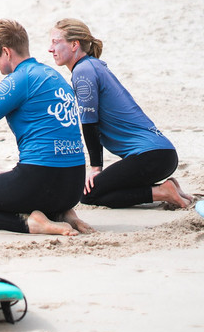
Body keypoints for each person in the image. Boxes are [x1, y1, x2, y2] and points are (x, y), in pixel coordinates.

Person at [0, 19, 89, 236]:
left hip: (43, 180)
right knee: (19, 186)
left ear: (6, 52)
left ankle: (32, 224)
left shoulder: (20, 79)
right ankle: (62, 213)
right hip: (73, 185)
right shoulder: (53, 74)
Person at [49, 19, 192, 209]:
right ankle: (168, 187)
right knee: (101, 190)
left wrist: (95, 169)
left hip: (151, 157)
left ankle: (162, 191)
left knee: (89, 195)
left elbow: (90, 123)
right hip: (161, 155)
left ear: (75, 45)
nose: (50, 49)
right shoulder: (93, 65)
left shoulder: (83, 71)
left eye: (56, 42)